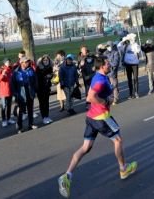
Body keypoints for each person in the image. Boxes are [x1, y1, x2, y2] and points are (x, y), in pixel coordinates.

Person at [57, 57, 137, 198]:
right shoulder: (100, 80)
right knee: (117, 140)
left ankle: (67, 176)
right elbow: (90, 97)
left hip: (91, 118)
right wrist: (105, 100)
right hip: (101, 118)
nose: (109, 65)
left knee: (85, 147)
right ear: (101, 67)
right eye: (107, 64)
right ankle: (123, 169)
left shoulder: (99, 77)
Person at [12, 56, 38, 133]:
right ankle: (20, 127)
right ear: (21, 63)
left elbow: (35, 81)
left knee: (30, 110)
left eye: (28, 61)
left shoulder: (31, 70)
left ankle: (31, 124)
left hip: (30, 92)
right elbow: (12, 84)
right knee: (21, 111)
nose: (28, 63)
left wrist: (35, 90)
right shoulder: (16, 72)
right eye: (26, 62)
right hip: (21, 94)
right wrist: (16, 94)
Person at [119, 34, 141, 99]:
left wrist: (134, 43)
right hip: (127, 64)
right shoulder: (125, 46)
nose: (132, 40)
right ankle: (131, 94)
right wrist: (124, 40)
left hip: (135, 64)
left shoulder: (135, 45)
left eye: (133, 39)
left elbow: (138, 50)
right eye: (131, 39)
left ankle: (136, 92)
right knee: (129, 79)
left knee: (135, 78)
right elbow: (119, 46)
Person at [0, 58, 14, 127]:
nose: (8, 63)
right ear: (4, 63)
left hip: (10, 90)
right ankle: (4, 120)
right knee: (4, 106)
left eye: (9, 62)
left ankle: (9, 118)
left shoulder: (11, 69)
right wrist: (2, 74)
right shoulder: (0, 70)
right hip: (3, 91)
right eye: (7, 62)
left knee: (9, 106)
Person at [36, 55, 54, 124]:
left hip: (47, 87)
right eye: (44, 60)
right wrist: (45, 76)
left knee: (46, 103)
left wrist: (51, 76)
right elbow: (38, 77)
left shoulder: (50, 67)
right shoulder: (38, 68)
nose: (46, 61)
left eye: (47, 60)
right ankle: (44, 117)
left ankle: (47, 116)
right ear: (42, 61)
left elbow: (51, 75)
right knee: (42, 103)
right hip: (40, 88)